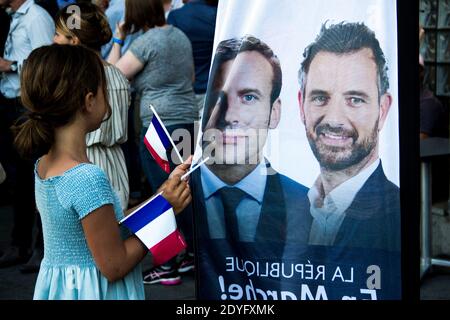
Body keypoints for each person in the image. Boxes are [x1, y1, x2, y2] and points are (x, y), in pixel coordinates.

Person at [13, 44, 192, 300]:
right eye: (103, 89)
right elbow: (114, 265)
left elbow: (106, 223)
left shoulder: (44, 163)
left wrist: (161, 198)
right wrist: (164, 214)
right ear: (88, 101)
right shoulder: (87, 178)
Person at [191, 35, 310, 299]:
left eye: (248, 97)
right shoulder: (180, 196)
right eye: (219, 97)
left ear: (274, 112)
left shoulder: (307, 204)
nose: (230, 114)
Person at [107, 0, 198, 285]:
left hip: (159, 124)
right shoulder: (179, 35)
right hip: (186, 120)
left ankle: (167, 265)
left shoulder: (147, 41)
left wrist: (118, 37)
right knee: (183, 189)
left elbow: (111, 74)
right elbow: (192, 77)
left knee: (164, 194)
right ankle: (188, 257)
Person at [297, 22, 400, 250]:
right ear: (301, 105)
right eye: (320, 97)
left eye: (355, 100)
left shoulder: (398, 215)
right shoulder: (290, 209)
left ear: (382, 110)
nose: (334, 119)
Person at [53, 2, 131, 211]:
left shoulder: (78, 80)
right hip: (116, 166)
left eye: (58, 34)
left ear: (75, 41)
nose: (54, 40)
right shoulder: (117, 75)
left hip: (85, 164)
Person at [0, 0, 54, 269]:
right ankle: (19, 245)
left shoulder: (37, 17)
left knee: (37, 177)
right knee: (18, 180)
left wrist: (9, 66)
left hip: (28, 107)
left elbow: (45, 63)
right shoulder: (13, 16)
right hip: (10, 104)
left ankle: (43, 248)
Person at [167, 0, 218, 117]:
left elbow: (171, 55)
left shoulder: (176, 16)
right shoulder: (218, 14)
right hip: (212, 90)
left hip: (184, 92)